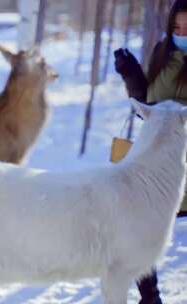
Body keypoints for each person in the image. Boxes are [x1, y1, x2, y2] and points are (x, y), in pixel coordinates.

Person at [114, 0, 187, 303]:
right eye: (177, 28)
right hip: (154, 164)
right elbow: (147, 101)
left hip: (182, 161)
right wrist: (131, 75)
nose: (182, 34)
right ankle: (150, 296)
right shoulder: (162, 52)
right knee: (138, 228)